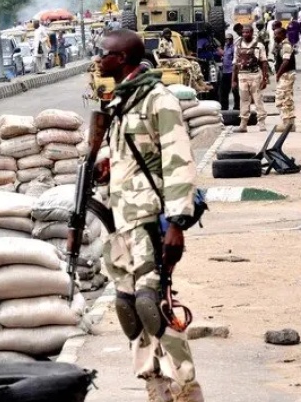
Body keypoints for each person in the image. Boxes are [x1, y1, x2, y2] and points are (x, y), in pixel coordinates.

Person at [95, 29, 204, 402]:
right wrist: (105, 167)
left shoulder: (159, 100)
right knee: (128, 307)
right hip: (120, 220)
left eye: (103, 53)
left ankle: (186, 388)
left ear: (122, 58)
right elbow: (128, 155)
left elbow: (178, 164)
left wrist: (177, 224)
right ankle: (154, 386)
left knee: (153, 303)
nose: (98, 59)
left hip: (149, 220)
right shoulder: (119, 103)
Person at [233, 25, 269, 132]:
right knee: (243, 100)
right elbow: (235, 64)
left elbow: (264, 62)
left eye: (247, 32)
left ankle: (261, 123)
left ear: (252, 32)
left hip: (255, 76)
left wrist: (265, 78)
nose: (245, 34)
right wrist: (233, 80)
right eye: (244, 32)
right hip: (242, 76)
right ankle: (243, 124)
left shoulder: (259, 45)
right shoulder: (238, 45)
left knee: (258, 100)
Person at [273, 27, 296, 132]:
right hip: (285, 74)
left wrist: (278, 74)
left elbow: (286, 61)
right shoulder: (281, 45)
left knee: (282, 99)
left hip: (286, 75)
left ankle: (287, 124)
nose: (274, 36)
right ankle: (289, 124)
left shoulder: (286, 45)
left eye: (276, 34)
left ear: (282, 34)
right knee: (286, 98)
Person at [219, 33, 240, 110]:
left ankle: (237, 107)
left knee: (235, 90)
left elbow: (235, 59)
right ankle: (224, 107)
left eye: (229, 39)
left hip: (232, 71)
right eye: (226, 39)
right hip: (225, 72)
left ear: (231, 40)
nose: (227, 41)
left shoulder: (234, 48)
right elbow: (225, 55)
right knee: (224, 91)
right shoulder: (225, 46)